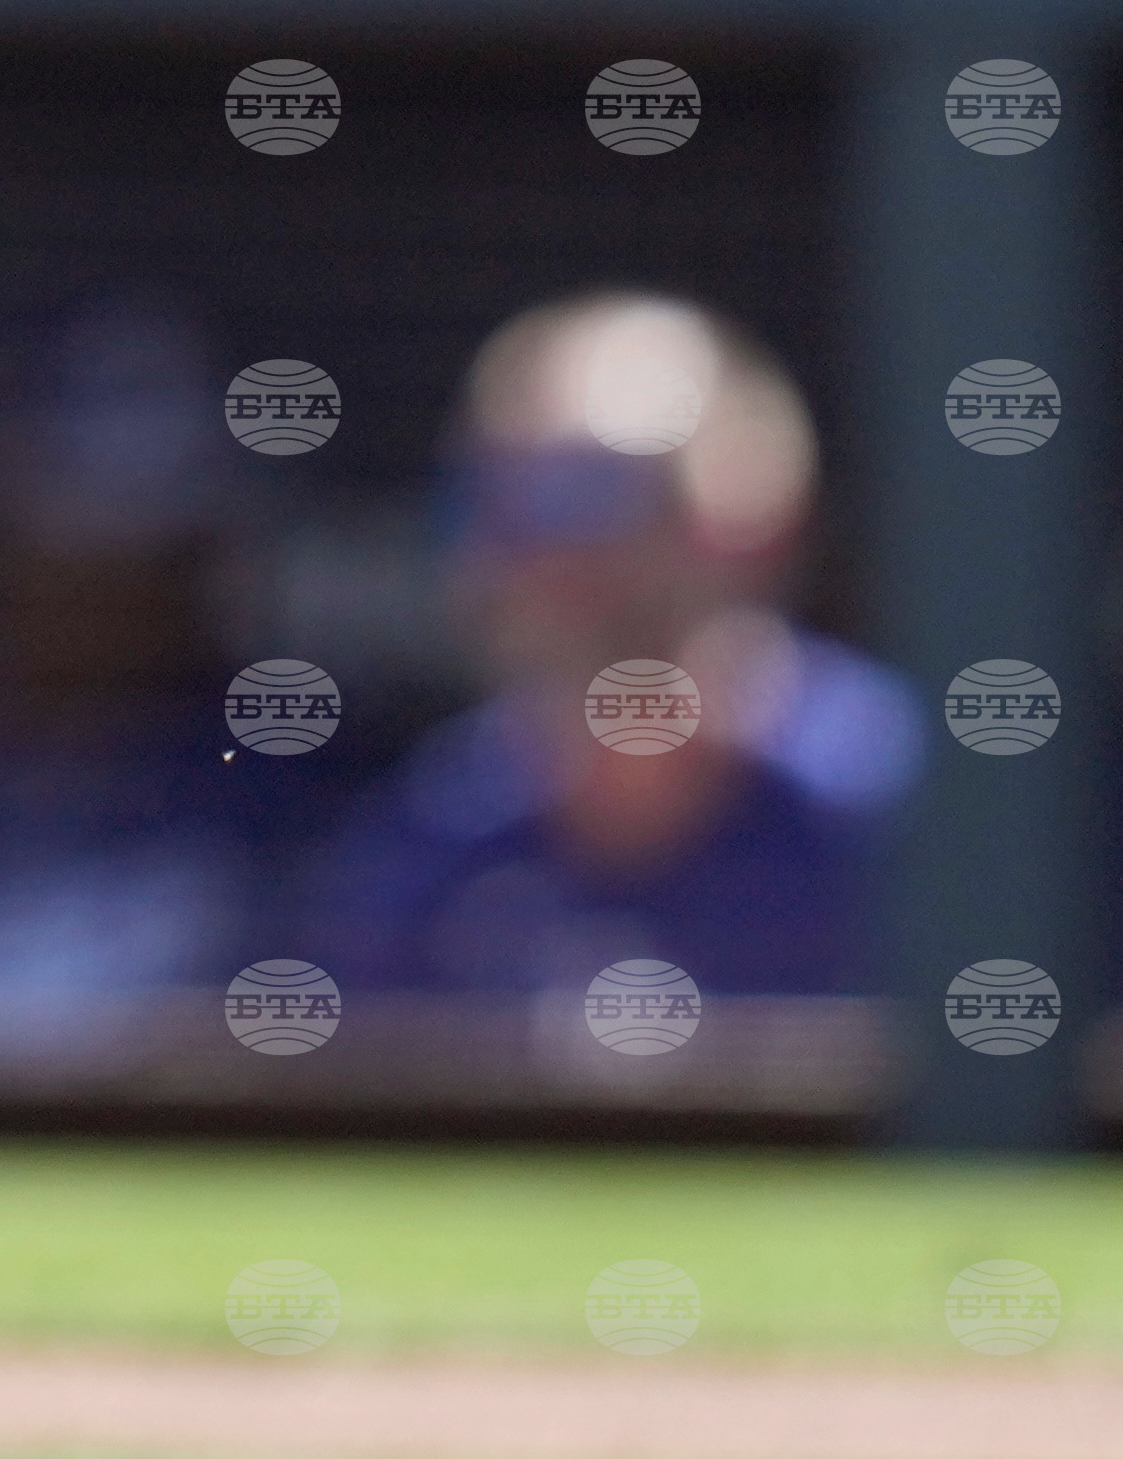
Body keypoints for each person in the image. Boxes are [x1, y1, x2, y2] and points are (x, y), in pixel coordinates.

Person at [312, 293, 909, 1011]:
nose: (529, 546)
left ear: (751, 513)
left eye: (580, 487)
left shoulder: (905, 811)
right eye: (486, 493)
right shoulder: (430, 846)